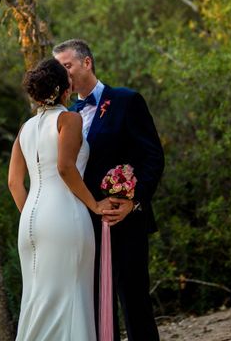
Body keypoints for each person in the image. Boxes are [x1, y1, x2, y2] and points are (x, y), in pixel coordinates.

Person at [54, 39, 165, 341]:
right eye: (59, 70)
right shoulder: (68, 116)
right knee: (97, 303)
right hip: (86, 223)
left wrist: (135, 201)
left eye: (68, 66)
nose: (65, 75)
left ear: (86, 63)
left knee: (134, 300)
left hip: (126, 218)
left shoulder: (126, 101)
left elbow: (153, 156)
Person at [8, 58, 113, 341]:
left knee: (37, 301)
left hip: (30, 222)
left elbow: (14, 183)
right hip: (65, 218)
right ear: (64, 88)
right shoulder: (69, 119)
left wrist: (33, 215)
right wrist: (95, 204)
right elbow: (65, 168)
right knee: (71, 298)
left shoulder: (25, 128)